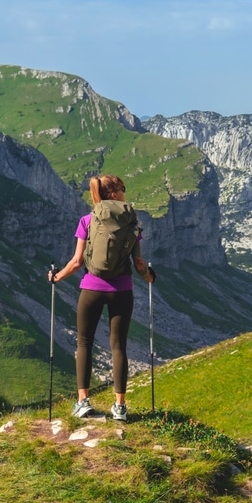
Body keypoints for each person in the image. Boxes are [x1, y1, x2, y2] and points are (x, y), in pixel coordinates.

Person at [48, 174, 156, 421]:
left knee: (84, 343)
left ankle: (83, 402)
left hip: (91, 290)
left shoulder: (87, 220)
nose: (125, 193)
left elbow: (76, 262)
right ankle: (119, 407)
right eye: (123, 189)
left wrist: (56, 278)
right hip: (122, 291)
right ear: (115, 193)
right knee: (118, 346)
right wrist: (149, 277)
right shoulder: (132, 223)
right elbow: (138, 262)